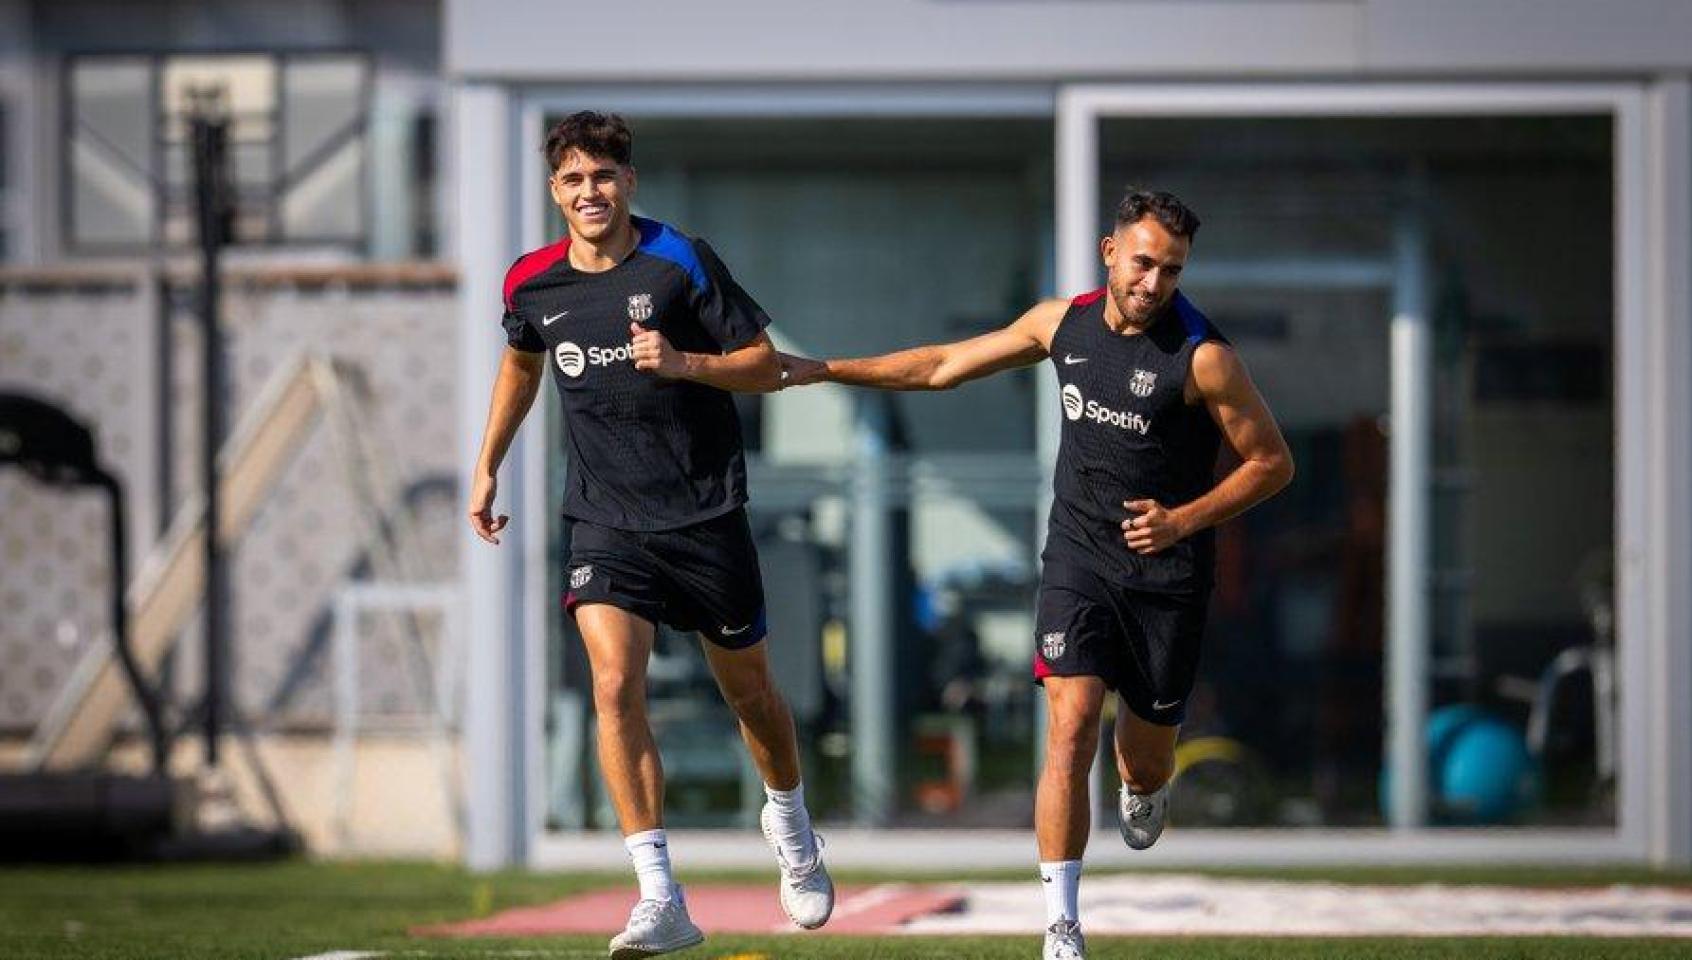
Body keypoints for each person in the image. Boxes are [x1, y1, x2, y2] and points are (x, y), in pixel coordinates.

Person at [779, 190, 1292, 960]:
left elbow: (1272, 463)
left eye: (1172, 271)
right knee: (1071, 722)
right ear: (1110, 251)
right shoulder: (1062, 323)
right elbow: (946, 365)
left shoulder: (1204, 357)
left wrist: (1182, 521)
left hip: (1168, 579)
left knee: (1145, 755)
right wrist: (825, 369)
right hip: (1078, 561)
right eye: (1144, 262)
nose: (1154, 283)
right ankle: (1062, 926)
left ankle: (1143, 787)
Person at [466, 111, 833, 959]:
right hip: (604, 519)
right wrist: (487, 463)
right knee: (611, 684)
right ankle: (660, 896)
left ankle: (790, 822)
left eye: (603, 177)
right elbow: (521, 368)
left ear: (628, 182)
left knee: (752, 695)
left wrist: (683, 363)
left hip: (705, 515)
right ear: (554, 191)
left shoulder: (682, 261)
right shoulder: (530, 283)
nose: (588, 193)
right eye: (572, 180)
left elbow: (763, 364)